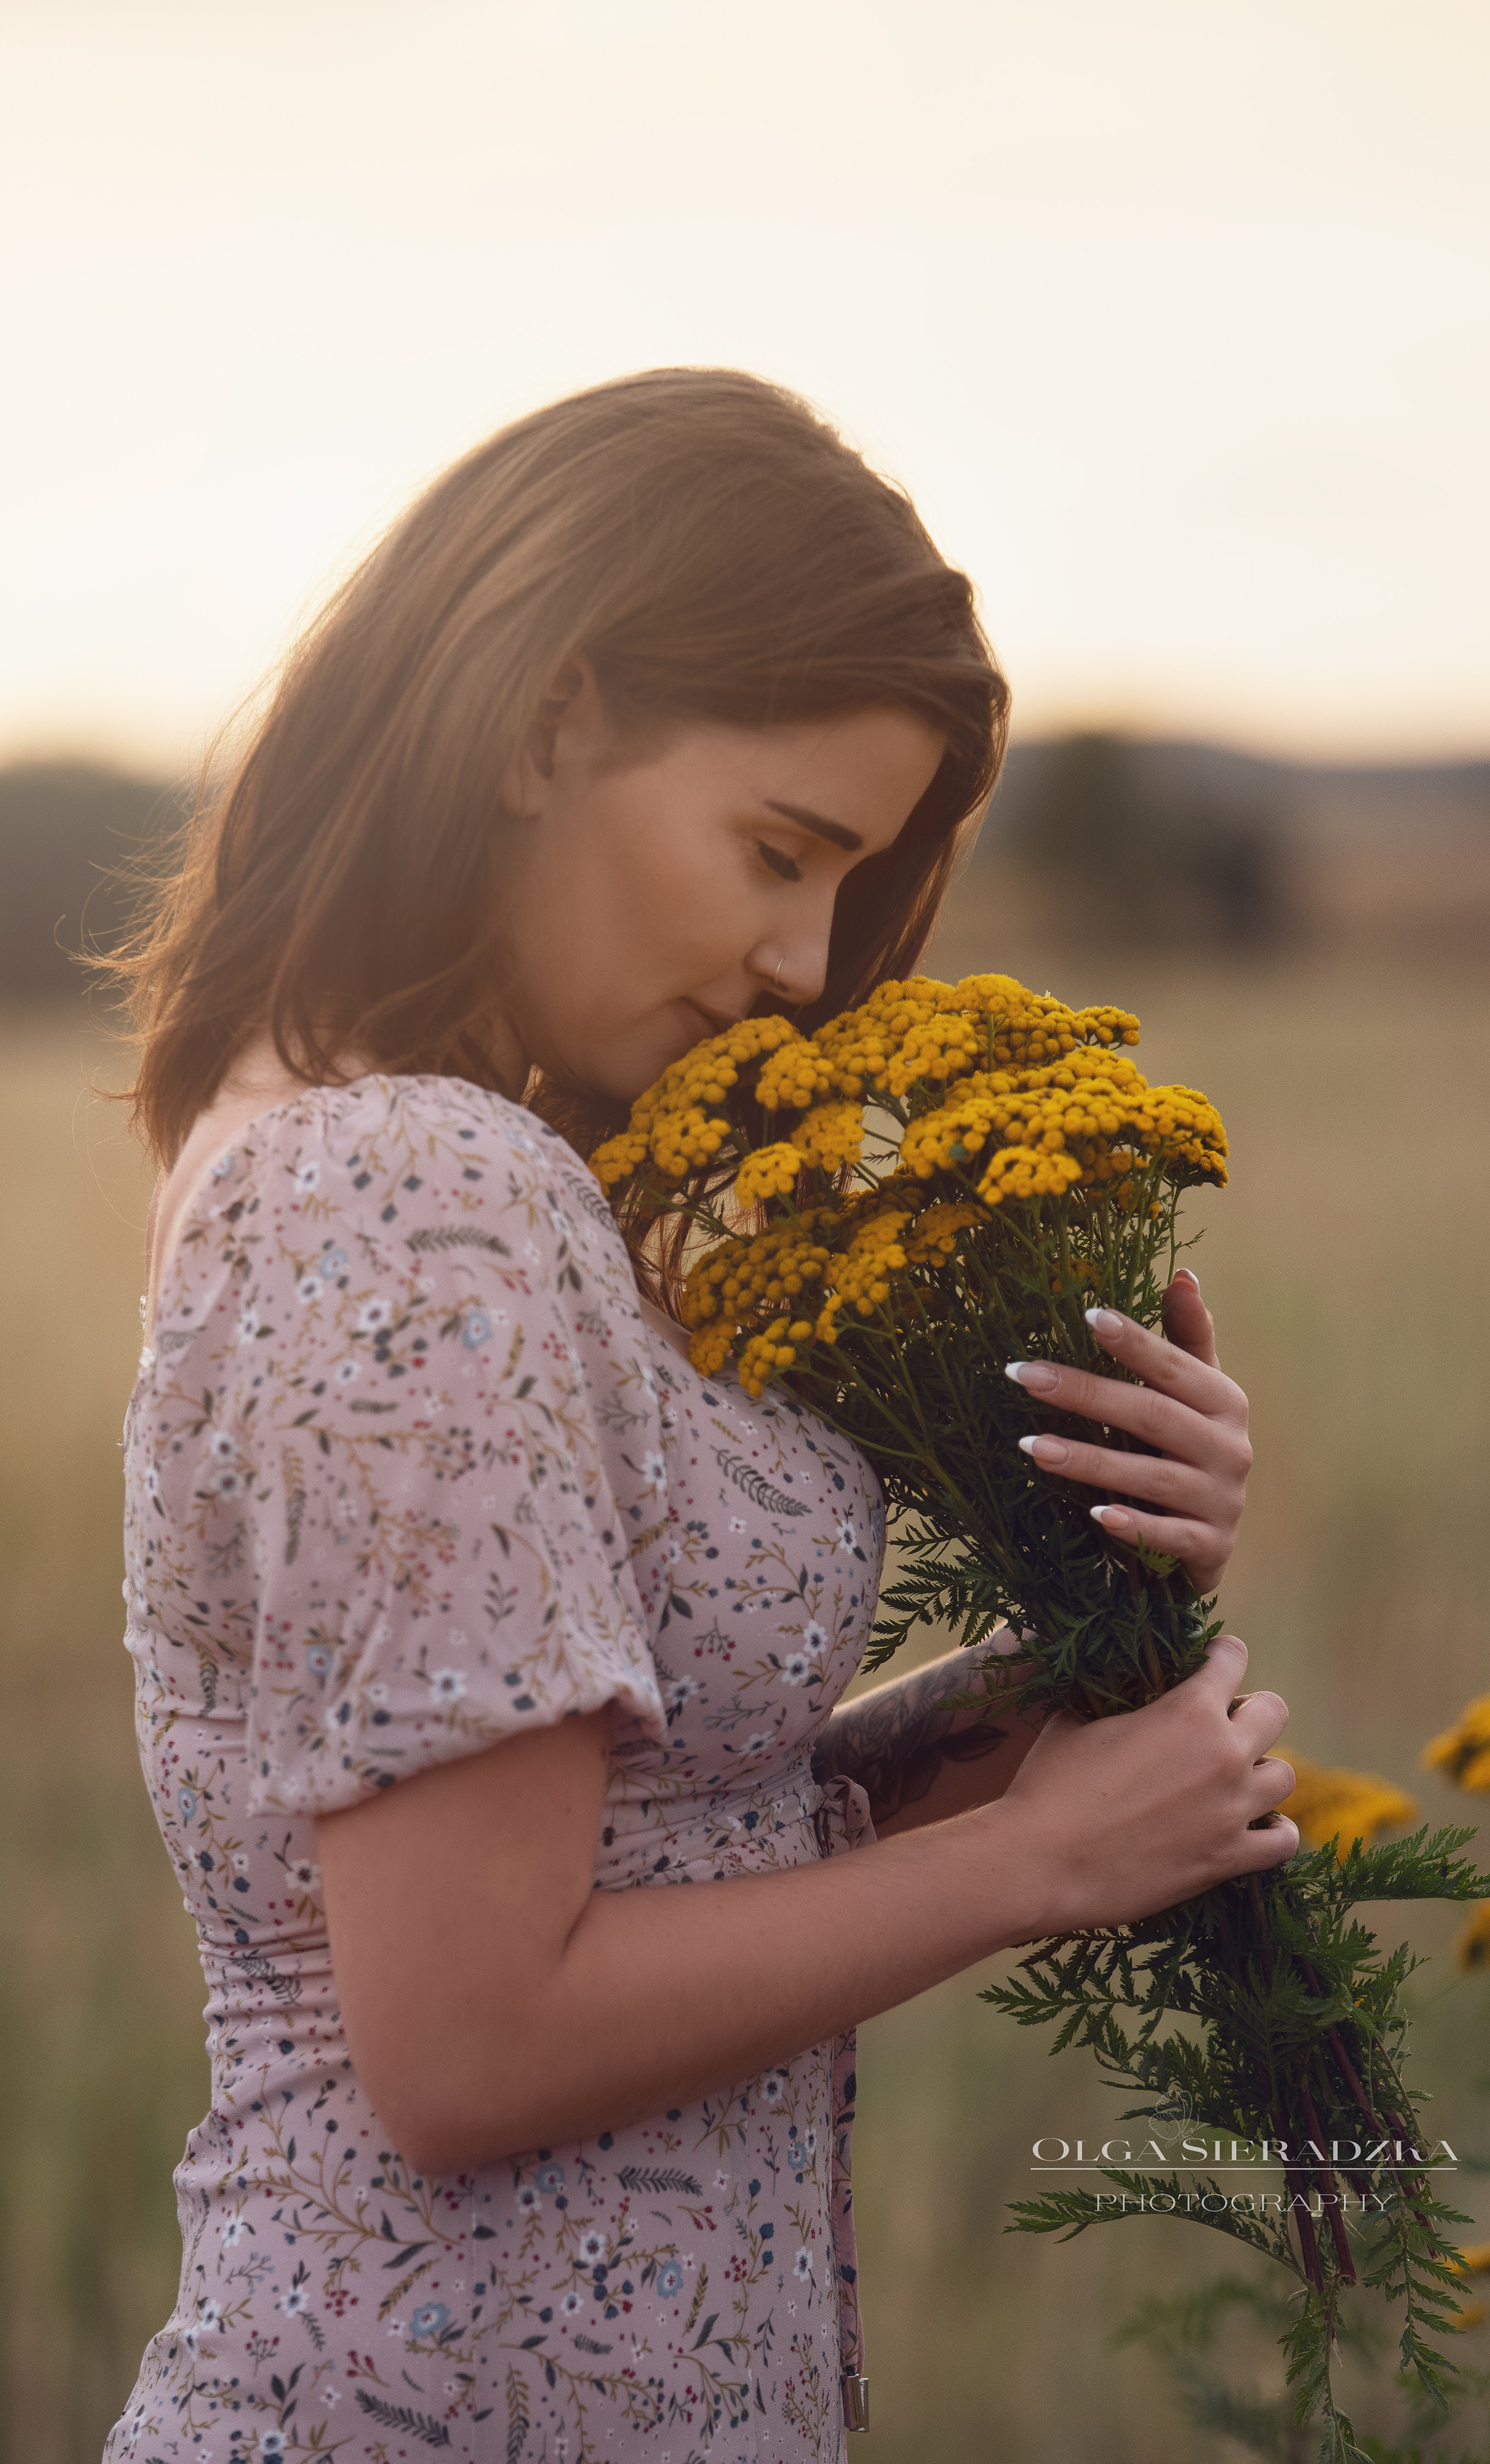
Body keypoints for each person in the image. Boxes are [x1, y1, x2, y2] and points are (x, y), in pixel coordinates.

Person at [106, 367, 1294, 2464]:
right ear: (550, 715)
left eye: (847, 880)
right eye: (780, 847)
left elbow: (664, 1837)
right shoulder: (414, 1194)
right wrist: (1047, 1855)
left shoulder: (437, 1166)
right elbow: (469, 2038)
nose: (801, 955)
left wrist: (1087, 1632)